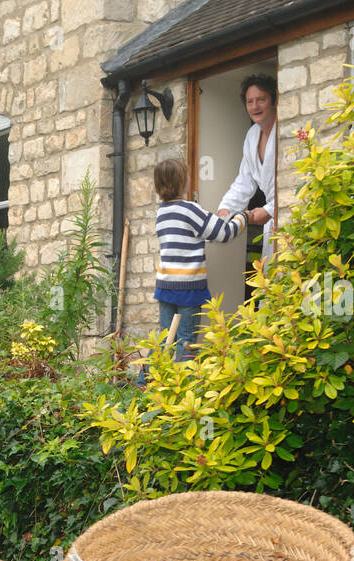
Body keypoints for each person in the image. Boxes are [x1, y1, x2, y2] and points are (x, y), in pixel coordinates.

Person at [144, 158, 256, 383]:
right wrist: (243, 217)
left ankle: (145, 384)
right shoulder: (190, 209)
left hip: (166, 286)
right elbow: (223, 234)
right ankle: (184, 394)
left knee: (165, 338)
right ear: (182, 182)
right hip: (188, 288)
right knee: (186, 342)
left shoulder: (162, 213)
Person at [218, 74, 278, 261]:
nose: (255, 106)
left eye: (261, 99)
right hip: (272, 222)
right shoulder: (252, 136)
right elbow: (244, 180)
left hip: (292, 216)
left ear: (273, 100)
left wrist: (270, 210)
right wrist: (226, 209)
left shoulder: (286, 129)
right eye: (249, 101)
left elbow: (298, 179)